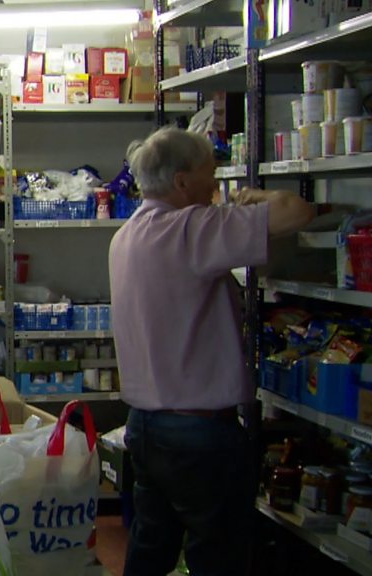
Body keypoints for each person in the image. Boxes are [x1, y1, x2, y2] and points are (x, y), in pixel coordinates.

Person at [109, 127, 314, 576]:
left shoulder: (126, 235)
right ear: (182, 182)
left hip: (144, 425)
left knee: (151, 546)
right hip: (198, 432)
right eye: (211, 175)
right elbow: (296, 211)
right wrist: (251, 196)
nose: (215, 188)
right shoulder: (192, 228)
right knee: (216, 555)